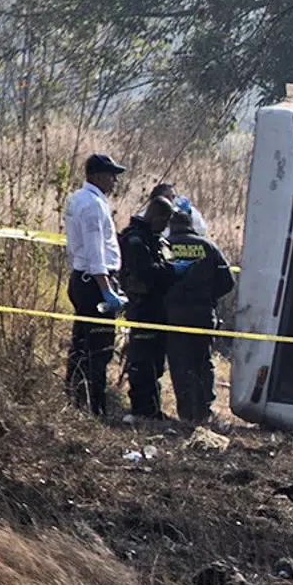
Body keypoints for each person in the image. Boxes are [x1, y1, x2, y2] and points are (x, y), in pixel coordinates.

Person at [64, 154, 128, 415]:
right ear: (97, 176)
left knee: (80, 344)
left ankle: (75, 401)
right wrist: (106, 290)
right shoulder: (93, 206)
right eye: (111, 174)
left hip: (82, 279)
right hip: (94, 283)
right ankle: (95, 407)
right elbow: (95, 252)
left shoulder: (77, 198)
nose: (114, 180)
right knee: (99, 348)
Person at [163, 210, 236, 424]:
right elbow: (228, 280)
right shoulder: (207, 246)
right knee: (202, 361)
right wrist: (208, 296)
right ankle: (204, 410)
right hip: (202, 314)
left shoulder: (165, 245)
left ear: (172, 225)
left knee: (179, 363)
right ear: (191, 225)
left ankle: (185, 411)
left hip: (174, 315)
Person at [118, 196, 181, 418]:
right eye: (165, 221)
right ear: (156, 216)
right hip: (142, 307)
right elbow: (145, 272)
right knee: (142, 358)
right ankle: (141, 408)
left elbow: (163, 263)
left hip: (157, 307)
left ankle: (152, 408)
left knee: (155, 360)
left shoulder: (154, 239)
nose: (165, 227)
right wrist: (172, 272)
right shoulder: (136, 239)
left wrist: (171, 268)